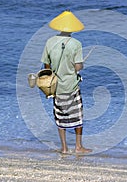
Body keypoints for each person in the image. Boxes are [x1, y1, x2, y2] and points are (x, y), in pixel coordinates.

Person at [41, 10, 92, 154]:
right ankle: (78, 146)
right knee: (78, 116)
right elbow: (77, 67)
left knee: (59, 116)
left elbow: (46, 66)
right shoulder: (76, 44)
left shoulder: (49, 42)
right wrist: (80, 65)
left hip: (56, 86)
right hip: (71, 86)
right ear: (72, 28)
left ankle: (64, 148)